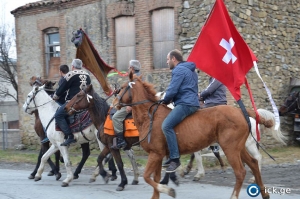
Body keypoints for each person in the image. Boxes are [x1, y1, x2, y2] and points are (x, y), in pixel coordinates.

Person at [160, 49, 200, 173]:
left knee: (166, 126)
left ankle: (175, 159)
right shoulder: (191, 70)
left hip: (185, 104)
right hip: (192, 102)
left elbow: (172, 90)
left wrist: (164, 101)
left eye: (168, 59)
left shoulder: (178, 70)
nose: (167, 62)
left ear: (173, 59)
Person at [53, 59, 91, 146]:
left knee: (58, 115)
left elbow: (61, 89)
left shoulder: (71, 74)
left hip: (74, 103)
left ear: (73, 66)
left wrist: (55, 97)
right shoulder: (87, 75)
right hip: (86, 103)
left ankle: (70, 136)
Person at [111, 60, 141, 149]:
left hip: (132, 105)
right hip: (129, 103)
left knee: (115, 118)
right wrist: (118, 91)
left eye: (129, 67)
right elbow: (127, 91)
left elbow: (137, 94)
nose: (128, 68)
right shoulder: (136, 77)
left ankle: (121, 140)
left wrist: (131, 105)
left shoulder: (135, 79)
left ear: (132, 68)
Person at [41, 64, 70, 144]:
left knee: (48, 114)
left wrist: (51, 96)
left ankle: (47, 135)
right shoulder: (70, 78)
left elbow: (59, 92)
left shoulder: (62, 79)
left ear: (61, 72)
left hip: (61, 101)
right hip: (68, 100)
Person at [199, 76, 227, 153]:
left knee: (198, 113)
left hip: (216, 102)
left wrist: (200, 95)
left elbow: (208, 91)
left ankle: (212, 142)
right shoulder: (212, 79)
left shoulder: (217, 78)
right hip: (213, 101)